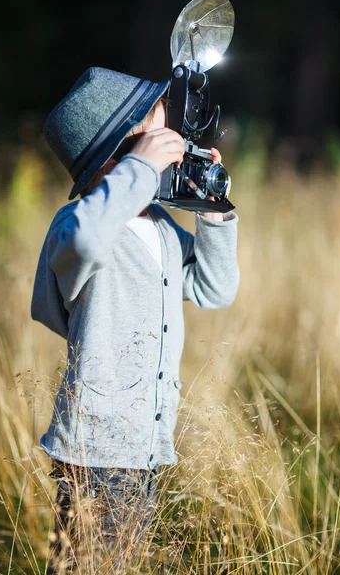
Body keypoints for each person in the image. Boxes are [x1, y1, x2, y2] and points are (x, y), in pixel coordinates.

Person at [31, 66, 240, 574]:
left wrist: (210, 211)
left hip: (145, 444)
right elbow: (85, 238)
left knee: (115, 562)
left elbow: (216, 288)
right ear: (118, 152)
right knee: (87, 563)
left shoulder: (161, 229)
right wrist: (141, 171)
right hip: (96, 446)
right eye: (157, 128)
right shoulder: (78, 225)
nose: (173, 137)